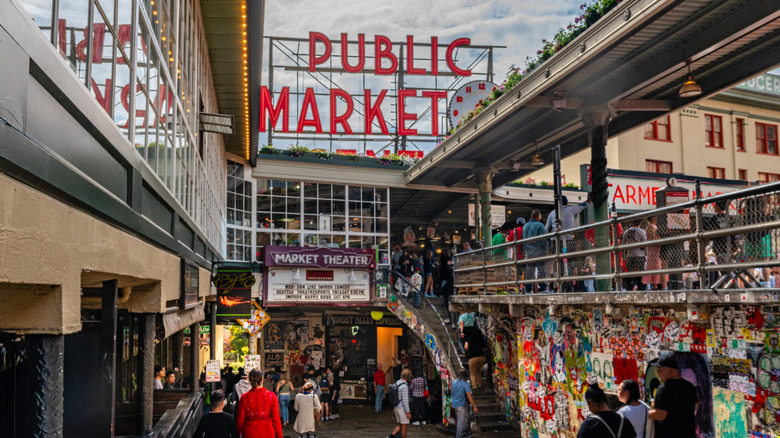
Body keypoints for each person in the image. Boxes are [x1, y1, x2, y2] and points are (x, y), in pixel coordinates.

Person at [648, 356, 698, 438]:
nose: (658, 373)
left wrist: (644, 413)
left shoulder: (664, 388)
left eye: (660, 370)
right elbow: (696, 406)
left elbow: (660, 415)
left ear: (671, 371)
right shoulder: (689, 386)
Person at [235, 370, 283, 438]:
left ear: (249, 381)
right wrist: (280, 436)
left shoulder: (244, 398)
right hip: (267, 433)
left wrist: (237, 434)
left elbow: (239, 421)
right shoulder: (272, 396)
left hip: (249, 434)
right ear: (262, 379)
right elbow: (276, 420)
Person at [523, 209, 549, 293]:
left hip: (529, 251)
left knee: (530, 270)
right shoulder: (540, 225)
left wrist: (525, 250)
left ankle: (528, 288)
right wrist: (546, 249)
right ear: (538, 216)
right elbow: (543, 239)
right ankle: (542, 287)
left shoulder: (525, 226)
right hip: (539, 250)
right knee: (541, 269)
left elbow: (523, 239)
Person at [641, 216, 667, 290]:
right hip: (654, 248)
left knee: (658, 264)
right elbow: (652, 238)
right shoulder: (650, 226)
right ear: (652, 218)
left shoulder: (655, 226)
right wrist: (659, 244)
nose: (656, 218)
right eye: (655, 217)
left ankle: (658, 284)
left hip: (657, 247)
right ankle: (655, 284)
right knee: (656, 265)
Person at [621, 220, 647, 291]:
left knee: (630, 273)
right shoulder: (641, 231)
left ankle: (630, 287)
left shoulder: (626, 232)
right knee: (640, 273)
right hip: (640, 255)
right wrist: (646, 255)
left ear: (632, 223)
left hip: (630, 255)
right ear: (640, 223)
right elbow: (645, 244)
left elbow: (623, 244)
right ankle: (641, 288)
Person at [451, 369, 478, 438]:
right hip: (460, 405)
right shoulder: (465, 383)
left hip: (455, 404)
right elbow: (469, 396)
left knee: (466, 417)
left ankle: (464, 433)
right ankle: (459, 436)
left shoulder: (454, 382)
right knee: (460, 422)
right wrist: (474, 406)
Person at [386, 368, 412, 438]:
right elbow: (405, 401)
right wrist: (408, 412)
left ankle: (390, 437)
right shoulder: (404, 386)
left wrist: (394, 408)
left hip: (396, 406)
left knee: (400, 425)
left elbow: (395, 396)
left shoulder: (397, 383)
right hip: (401, 408)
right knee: (404, 427)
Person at [464, 325, 486, 389]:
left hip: (472, 358)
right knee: (478, 371)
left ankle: (474, 386)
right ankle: (479, 384)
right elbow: (484, 349)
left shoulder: (469, 339)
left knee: (472, 373)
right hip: (481, 357)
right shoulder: (481, 339)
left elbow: (465, 347)